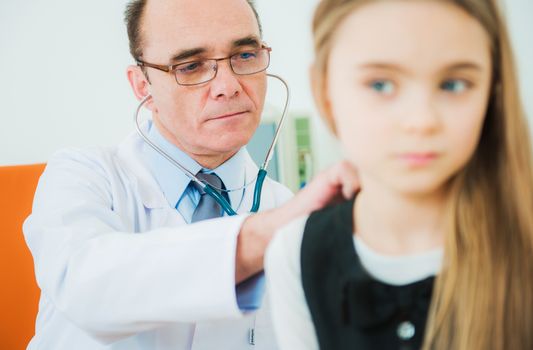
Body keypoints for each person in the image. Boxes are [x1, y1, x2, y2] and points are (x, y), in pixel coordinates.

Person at [22, 0, 358, 349]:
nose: (228, 86)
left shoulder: (283, 206)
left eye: (244, 55)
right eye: (191, 65)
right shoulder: (83, 177)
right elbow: (84, 285)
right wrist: (260, 237)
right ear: (142, 86)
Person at [265, 0, 533, 349]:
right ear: (324, 91)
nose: (421, 121)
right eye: (380, 85)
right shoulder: (295, 252)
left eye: (453, 84)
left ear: (492, 94)